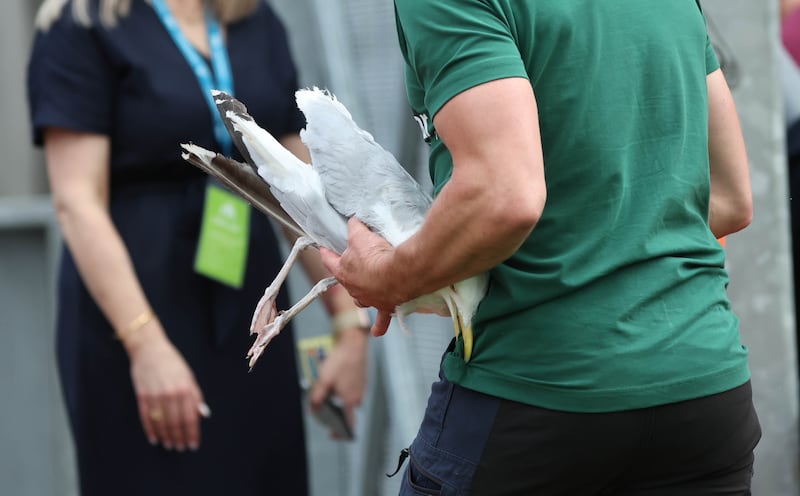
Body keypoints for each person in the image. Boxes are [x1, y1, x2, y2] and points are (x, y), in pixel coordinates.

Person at [321, 1, 761, 494]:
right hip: (703, 392)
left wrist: (391, 276)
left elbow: (504, 198)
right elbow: (728, 195)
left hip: (541, 393)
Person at [27, 0, 368, 495]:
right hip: (137, 314)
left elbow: (301, 190)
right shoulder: (82, 24)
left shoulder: (255, 20)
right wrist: (146, 346)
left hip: (247, 309)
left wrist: (348, 323)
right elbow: (77, 202)